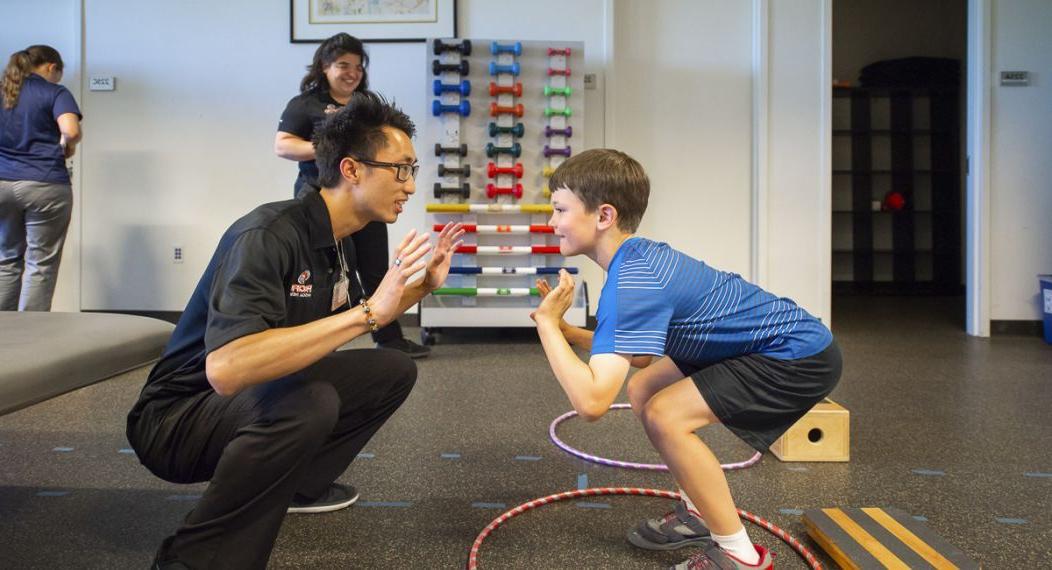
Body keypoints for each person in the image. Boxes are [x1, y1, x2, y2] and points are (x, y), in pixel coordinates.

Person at [127, 92, 464, 569]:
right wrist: (368, 313)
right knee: (309, 402)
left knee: (391, 369)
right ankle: (192, 559)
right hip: (175, 418)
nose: (409, 185)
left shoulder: (337, 239)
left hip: (240, 396)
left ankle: (299, 487)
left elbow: (354, 318)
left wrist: (420, 287)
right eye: (401, 169)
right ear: (352, 170)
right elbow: (226, 368)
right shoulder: (268, 235)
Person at [531, 149, 841, 569]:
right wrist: (567, 331)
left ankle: (740, 556)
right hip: (752, 344)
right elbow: (638, 357)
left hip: (794, 353)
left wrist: (548, 327)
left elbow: (591, 403)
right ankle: (699, 512)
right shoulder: (634, 260)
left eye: (560, 209)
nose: (552, 223)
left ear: (603, 215)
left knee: (666, 415)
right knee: (645, 388)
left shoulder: (632, 282)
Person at [275, 32, 430, 358]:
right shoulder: (306, 104)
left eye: (358, 67)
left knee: (375, 269)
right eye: (343, 65)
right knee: (325, 272)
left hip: (367, 196)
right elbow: (283, 144)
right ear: (324, 66)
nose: (352, 72)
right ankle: (311, 344)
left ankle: (389, 340)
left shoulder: (366, 104)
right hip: (322, 198)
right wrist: (330, 148)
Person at [0, 45, 82, 311]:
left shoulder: (4, 90)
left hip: (3, 184)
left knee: (6, 260)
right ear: (51, 67)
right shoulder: (55, 92)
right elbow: (70, 130)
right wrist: (68, 146)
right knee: (40, 263)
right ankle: (32, 334)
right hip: (45, 184)